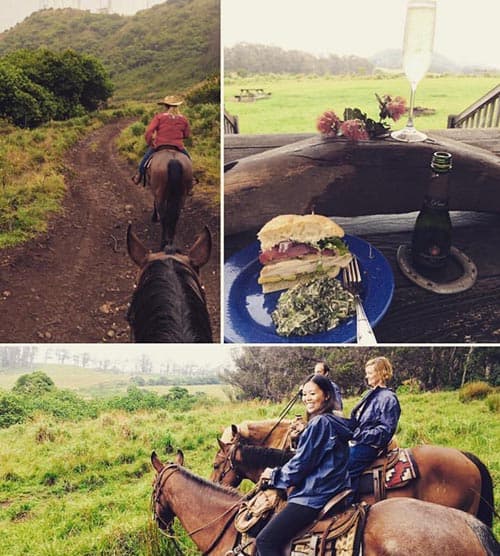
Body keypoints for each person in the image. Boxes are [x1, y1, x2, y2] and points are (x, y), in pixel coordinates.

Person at [255, 374, 353, 556]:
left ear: (327, 396)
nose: (307, 398)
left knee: (265, 540)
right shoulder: (331, 420)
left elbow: (302, 464)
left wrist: (275, 475)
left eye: (313, 393)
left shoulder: (320, 423)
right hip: (334, 485)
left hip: (316, 493)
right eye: (304, 394)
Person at [347, 356, 401, 495]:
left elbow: (386, 431)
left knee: (344, 467)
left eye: (370, 373)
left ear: (382, 373)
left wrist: (359, 435)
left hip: (370, 445)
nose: (367, 376)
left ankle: (347, 504)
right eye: (367, 373)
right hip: (358, 440)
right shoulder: (368, 394)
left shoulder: (388, 398)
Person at [132, 95, 191, 185]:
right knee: (189, 161)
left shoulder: (159, 117)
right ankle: (190, 181)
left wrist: (150, 142)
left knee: (144, 161)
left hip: (160, 145)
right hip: (178, 146)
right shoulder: (184, 119)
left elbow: (149, 131)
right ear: (178, 106)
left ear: (165, 106)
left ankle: (139, 176)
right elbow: (187, 135)